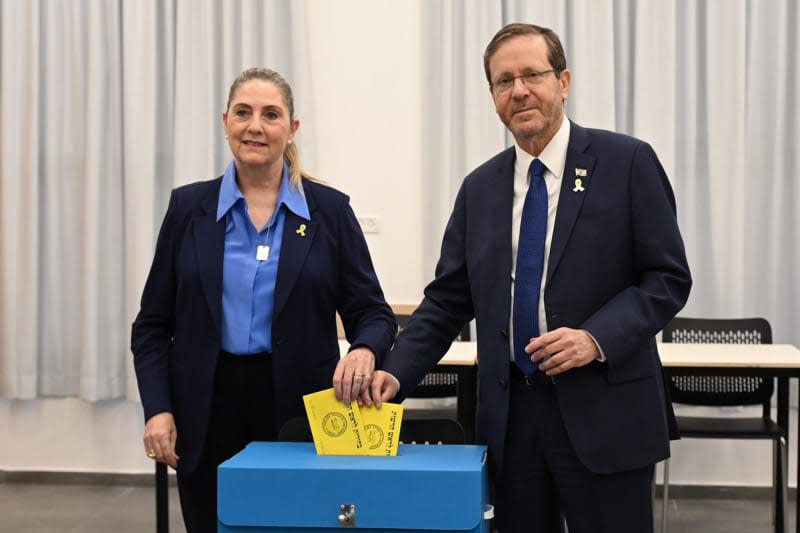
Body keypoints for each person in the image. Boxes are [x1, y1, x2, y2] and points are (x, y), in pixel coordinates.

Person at [367, 23, 692, 533]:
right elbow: (448, 300)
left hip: (604, 410)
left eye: (532, 75)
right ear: (493, 96)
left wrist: (595, 338)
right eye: (503, 81)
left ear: (563, 81)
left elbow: (668, 278)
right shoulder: (479, 188)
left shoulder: (626, 162)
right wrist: (396, 371)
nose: (518, 90)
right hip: (511, 417)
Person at [131, 67, 396, 533]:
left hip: (299, 411)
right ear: (225, 121)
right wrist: (158, 407)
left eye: (270, 114)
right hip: (205, 410)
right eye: (243, 113)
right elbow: (151, 326)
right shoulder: (187, 209)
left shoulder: (329, 211)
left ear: (292, 128)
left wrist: (365, 348)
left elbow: (372, 311)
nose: (255, 125)